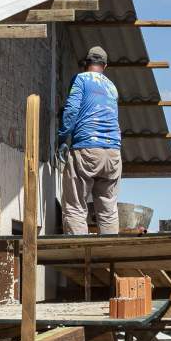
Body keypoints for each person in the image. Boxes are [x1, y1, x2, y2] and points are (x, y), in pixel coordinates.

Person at [57, 46, 122, 235]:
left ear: (86, 63)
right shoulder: (112, 87)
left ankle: (79, 257)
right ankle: (109, 258)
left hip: (87, 149)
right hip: (113, 153)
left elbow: (71, 111)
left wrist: (62, 137)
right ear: (105, 66)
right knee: (108, 210)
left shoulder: (81, 79)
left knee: (76, 206)